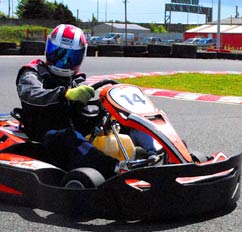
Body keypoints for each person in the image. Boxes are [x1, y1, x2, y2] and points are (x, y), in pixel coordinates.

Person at [16, 24, 156, 179]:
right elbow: (31, 94)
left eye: (71, 57)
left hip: (77, 127)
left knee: (126, 121)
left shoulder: (75, 79)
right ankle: (115, 168)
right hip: (44, 132)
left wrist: (103, 107)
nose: (64, 61)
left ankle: (155, 155)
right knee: (68, 137)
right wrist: (65, 94)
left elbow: (83, 110)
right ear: (49, 49)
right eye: (59, 53)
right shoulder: (33, 72)